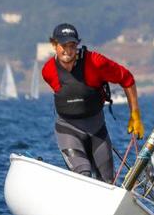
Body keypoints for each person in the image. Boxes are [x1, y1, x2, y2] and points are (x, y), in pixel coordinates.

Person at [41, 23, 144, 183]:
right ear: (54, 45)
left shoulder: (95, 62)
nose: (68, 51)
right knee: (83, 174)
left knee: (107, 181)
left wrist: (135, 115)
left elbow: (127, 79)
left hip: (97, 130)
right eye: (63, 45)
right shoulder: (48, 71)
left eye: (72, 45)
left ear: (77, 45)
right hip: (68, 130)